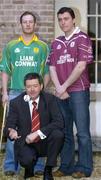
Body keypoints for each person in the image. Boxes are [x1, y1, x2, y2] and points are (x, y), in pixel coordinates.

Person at [0, 11, 50, 175]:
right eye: (25, 22)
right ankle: (11, 166)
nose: (28, 24)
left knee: (38, 129)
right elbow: (5, 70)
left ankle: (39, 166)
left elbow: (47, 72)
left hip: (36, 94)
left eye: (30, 22)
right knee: (13, 130)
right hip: (15, 93)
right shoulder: (11, 46)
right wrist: (5, 92)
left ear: (35, 24)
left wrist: (41, 90)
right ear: (21, 24)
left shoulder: (42, 46)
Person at [47, 7, 93, 178]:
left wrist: (64, 86)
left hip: (78, 91)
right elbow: (51, 66)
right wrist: (59, 88)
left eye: (66, 18)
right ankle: (65, 166)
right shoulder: (56, 42)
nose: (62, 22)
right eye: (60, 19)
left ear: (74, 19)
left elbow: (81, 66)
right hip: (61, 92)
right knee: (65, 131)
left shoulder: (82, 38)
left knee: (82, 132)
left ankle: (83, 167)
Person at [4, 72, 64, 180]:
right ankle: (29, 168)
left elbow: (59, 122)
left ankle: (48, 169)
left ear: (41, 86)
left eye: (35, 86)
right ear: (25, 88)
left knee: (58, 134)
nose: (32, 89)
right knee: (26, 160)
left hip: (44, 140)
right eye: (29, 86)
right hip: (26, 142)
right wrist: (11, 131)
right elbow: (8, 126)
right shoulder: (16, 103)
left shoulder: (50, 99)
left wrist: (37, 133)